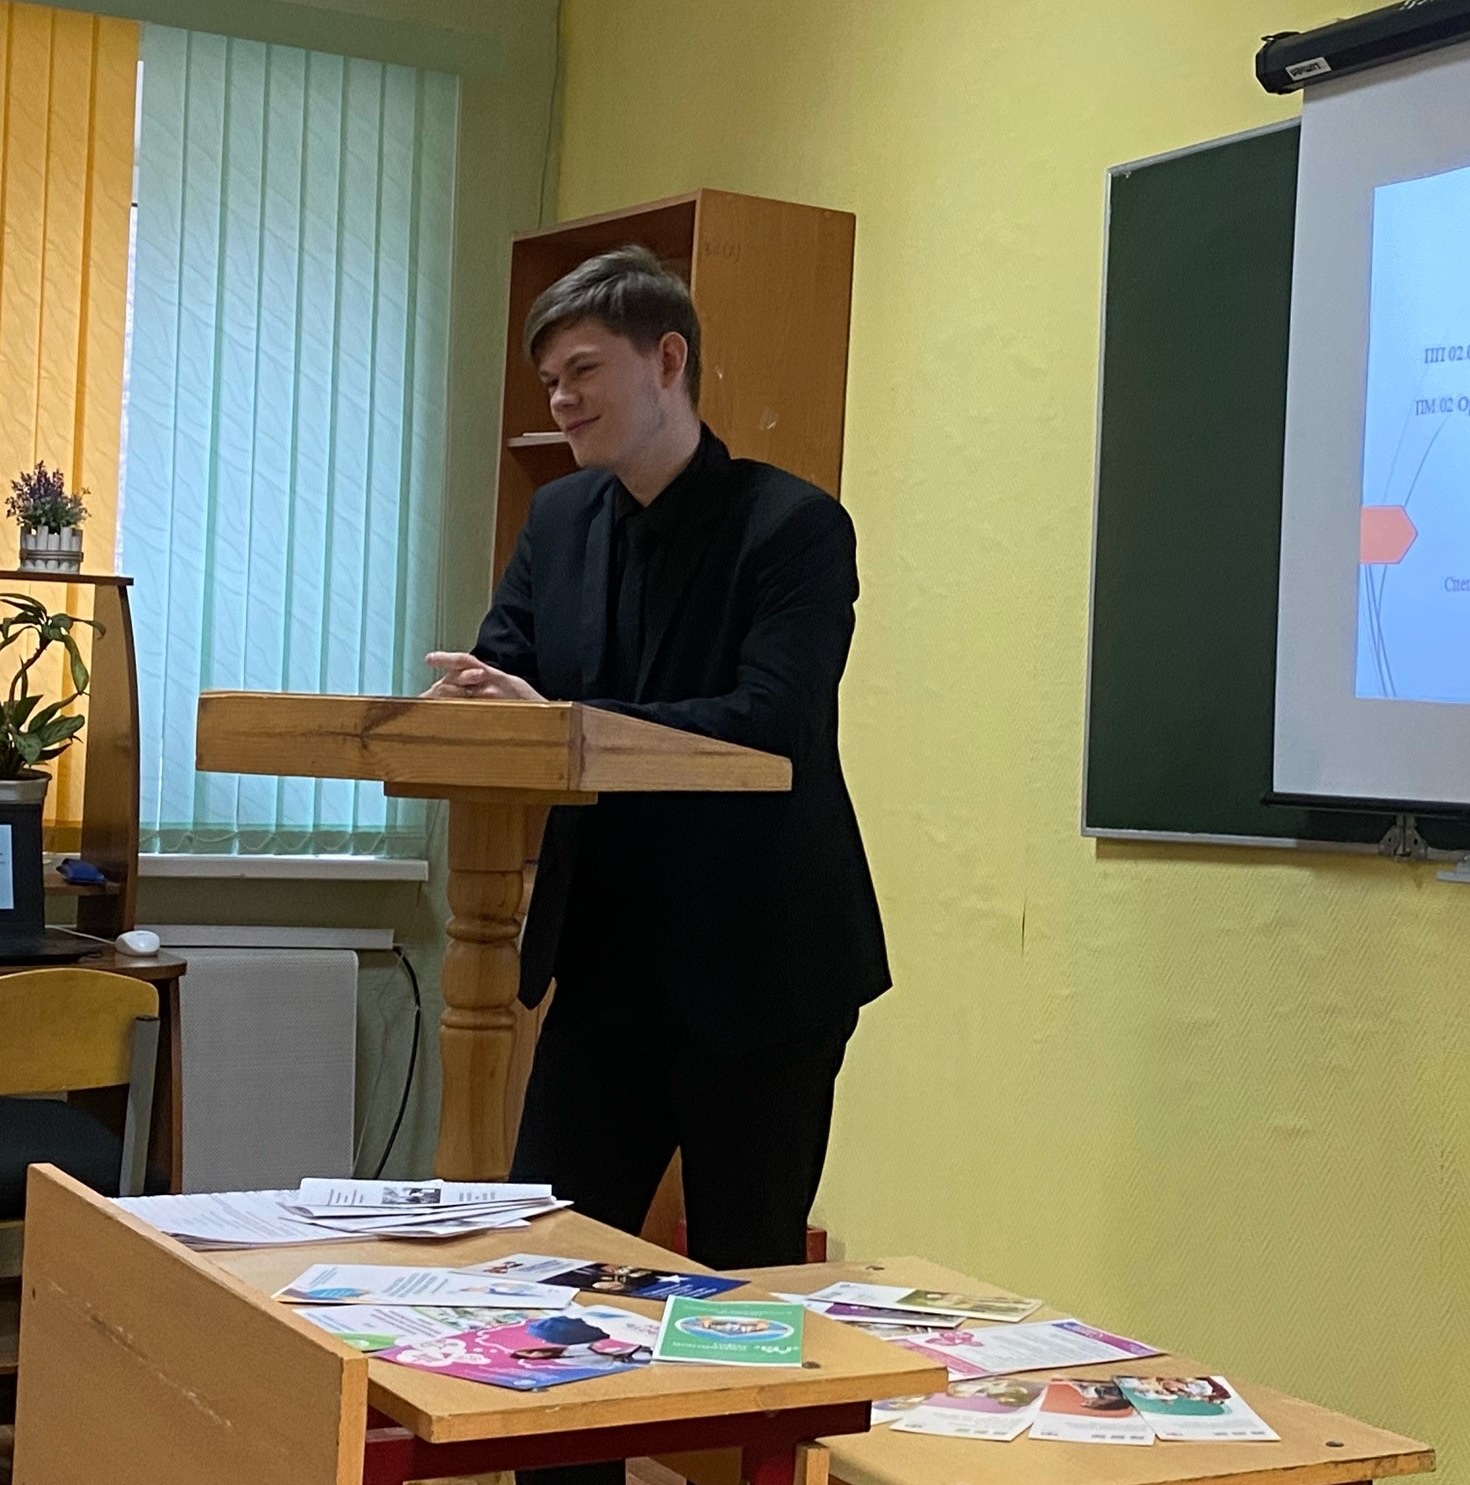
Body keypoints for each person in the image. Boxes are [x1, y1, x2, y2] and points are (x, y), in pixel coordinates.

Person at [425, 245, 890, 1485]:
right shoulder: (559, 518)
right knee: (549, 1284)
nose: (559, 400)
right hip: (604, 959)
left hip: (763, 966)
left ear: (667, 359)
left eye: (581, 370)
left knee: (746, 1292)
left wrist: (567, 719)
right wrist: (485, 704)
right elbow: (506, 670)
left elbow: (769, 721)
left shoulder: (793, 526)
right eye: (548, 379)